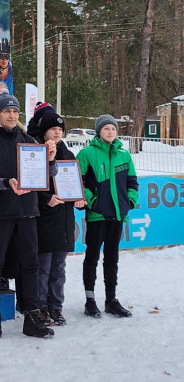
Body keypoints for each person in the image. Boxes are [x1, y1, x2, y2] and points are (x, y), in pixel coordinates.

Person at [0, 94, 57, 339]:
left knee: (30, 263)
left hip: (27, 211)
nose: (12, 115)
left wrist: (51, 159)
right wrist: (5, 182)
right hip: (1, 212)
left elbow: (48, 175)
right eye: (6, 111)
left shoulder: (30, 140)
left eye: (15, 112)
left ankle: (32, 315)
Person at [77, 114, 139, 319]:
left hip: (117, 216)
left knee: (112, 259)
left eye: (113, 128)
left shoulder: (124, 154)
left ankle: (111, 300)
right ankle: (90, 300)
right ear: (98, 131)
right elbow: (79, 182)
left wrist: (129, 201)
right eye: (106, 129)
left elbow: (132, 183)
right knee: (92, 256)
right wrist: (92, 201)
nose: (110, 132)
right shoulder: (87, 153)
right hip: (97, 216)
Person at [35, 110, 86, 326]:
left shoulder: (69, 154)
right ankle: (40, 307)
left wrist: (79, 197)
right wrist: (46, 199)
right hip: (45, 219)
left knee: (59, 267)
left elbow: (75, 182)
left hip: (64, 218)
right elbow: (32, 184)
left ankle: (56, 306)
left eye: (59, 129)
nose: (56, 132)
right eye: (52, 129)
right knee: (43, 267)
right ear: (44, 131)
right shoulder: (35, 150)